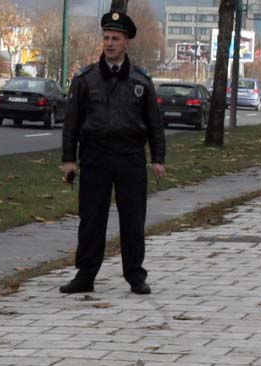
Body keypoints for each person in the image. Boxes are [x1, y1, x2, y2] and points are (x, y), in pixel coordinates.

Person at [61, 11, 167, 295]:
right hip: (95, 156)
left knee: (133, 219)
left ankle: (135, 275)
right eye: (106, 38)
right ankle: (85, 275)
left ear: (126, 43)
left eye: (115, 38)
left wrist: (158, 158)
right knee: (92, 218)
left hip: (130, 157)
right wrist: (69, 159)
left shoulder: (140, 80)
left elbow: (154, 122)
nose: (109, 43)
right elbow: (72, 122)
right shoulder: (85, 79)